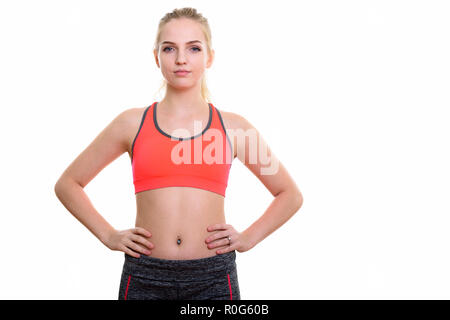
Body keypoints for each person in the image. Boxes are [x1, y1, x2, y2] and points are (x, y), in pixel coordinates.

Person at [54, 7, 303, 300]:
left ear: (209, 57)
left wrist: (248, 237)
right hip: (145, 274)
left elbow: (289, 194)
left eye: (194, 48)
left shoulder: (234, 128)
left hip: (212, 277)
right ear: (156, 56)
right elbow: (68, 184)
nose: (181, 59)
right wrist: (109, 235)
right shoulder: (131, 123)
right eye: (169, 48)